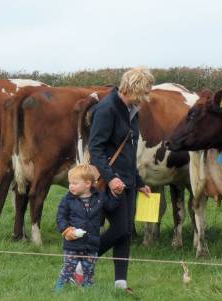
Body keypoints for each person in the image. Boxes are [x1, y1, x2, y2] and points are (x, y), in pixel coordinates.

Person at [88, 66, 153, 293]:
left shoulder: (132, 109)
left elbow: (127, 150)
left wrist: (140, 181)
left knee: (125, 231)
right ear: (134, 89)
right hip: (109, 182)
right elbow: (95, 149)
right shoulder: (107, 109)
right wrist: (112, 178)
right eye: (144, 92)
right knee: (120, 230)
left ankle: (120, 283)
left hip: (127, 180)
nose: (146, 97)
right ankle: (86, 259)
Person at [55, 164, 118, 290]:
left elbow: (111, 206)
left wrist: (116, 195)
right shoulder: (67, 199)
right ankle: (59, 289)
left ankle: (88, 292)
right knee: (68, 268)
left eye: (74, 183)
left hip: (91, 244)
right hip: (72, 243)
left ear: (88, 184)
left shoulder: (99, 197)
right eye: (70, 183)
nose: (71, 186)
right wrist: (66, 230)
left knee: (89, 271)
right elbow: (61, 217)